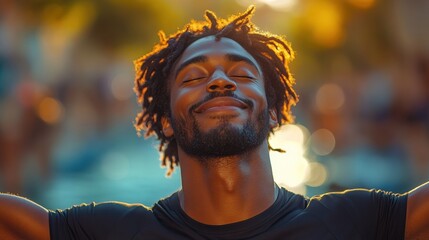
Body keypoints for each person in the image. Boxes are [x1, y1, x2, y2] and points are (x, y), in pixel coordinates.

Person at [0, 6, 428, 240]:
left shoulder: (357, 224)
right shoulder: (111, 232)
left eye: (241, 74)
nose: (220, 81)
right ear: (166, 120)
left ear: (275, 111)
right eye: (194, 77)